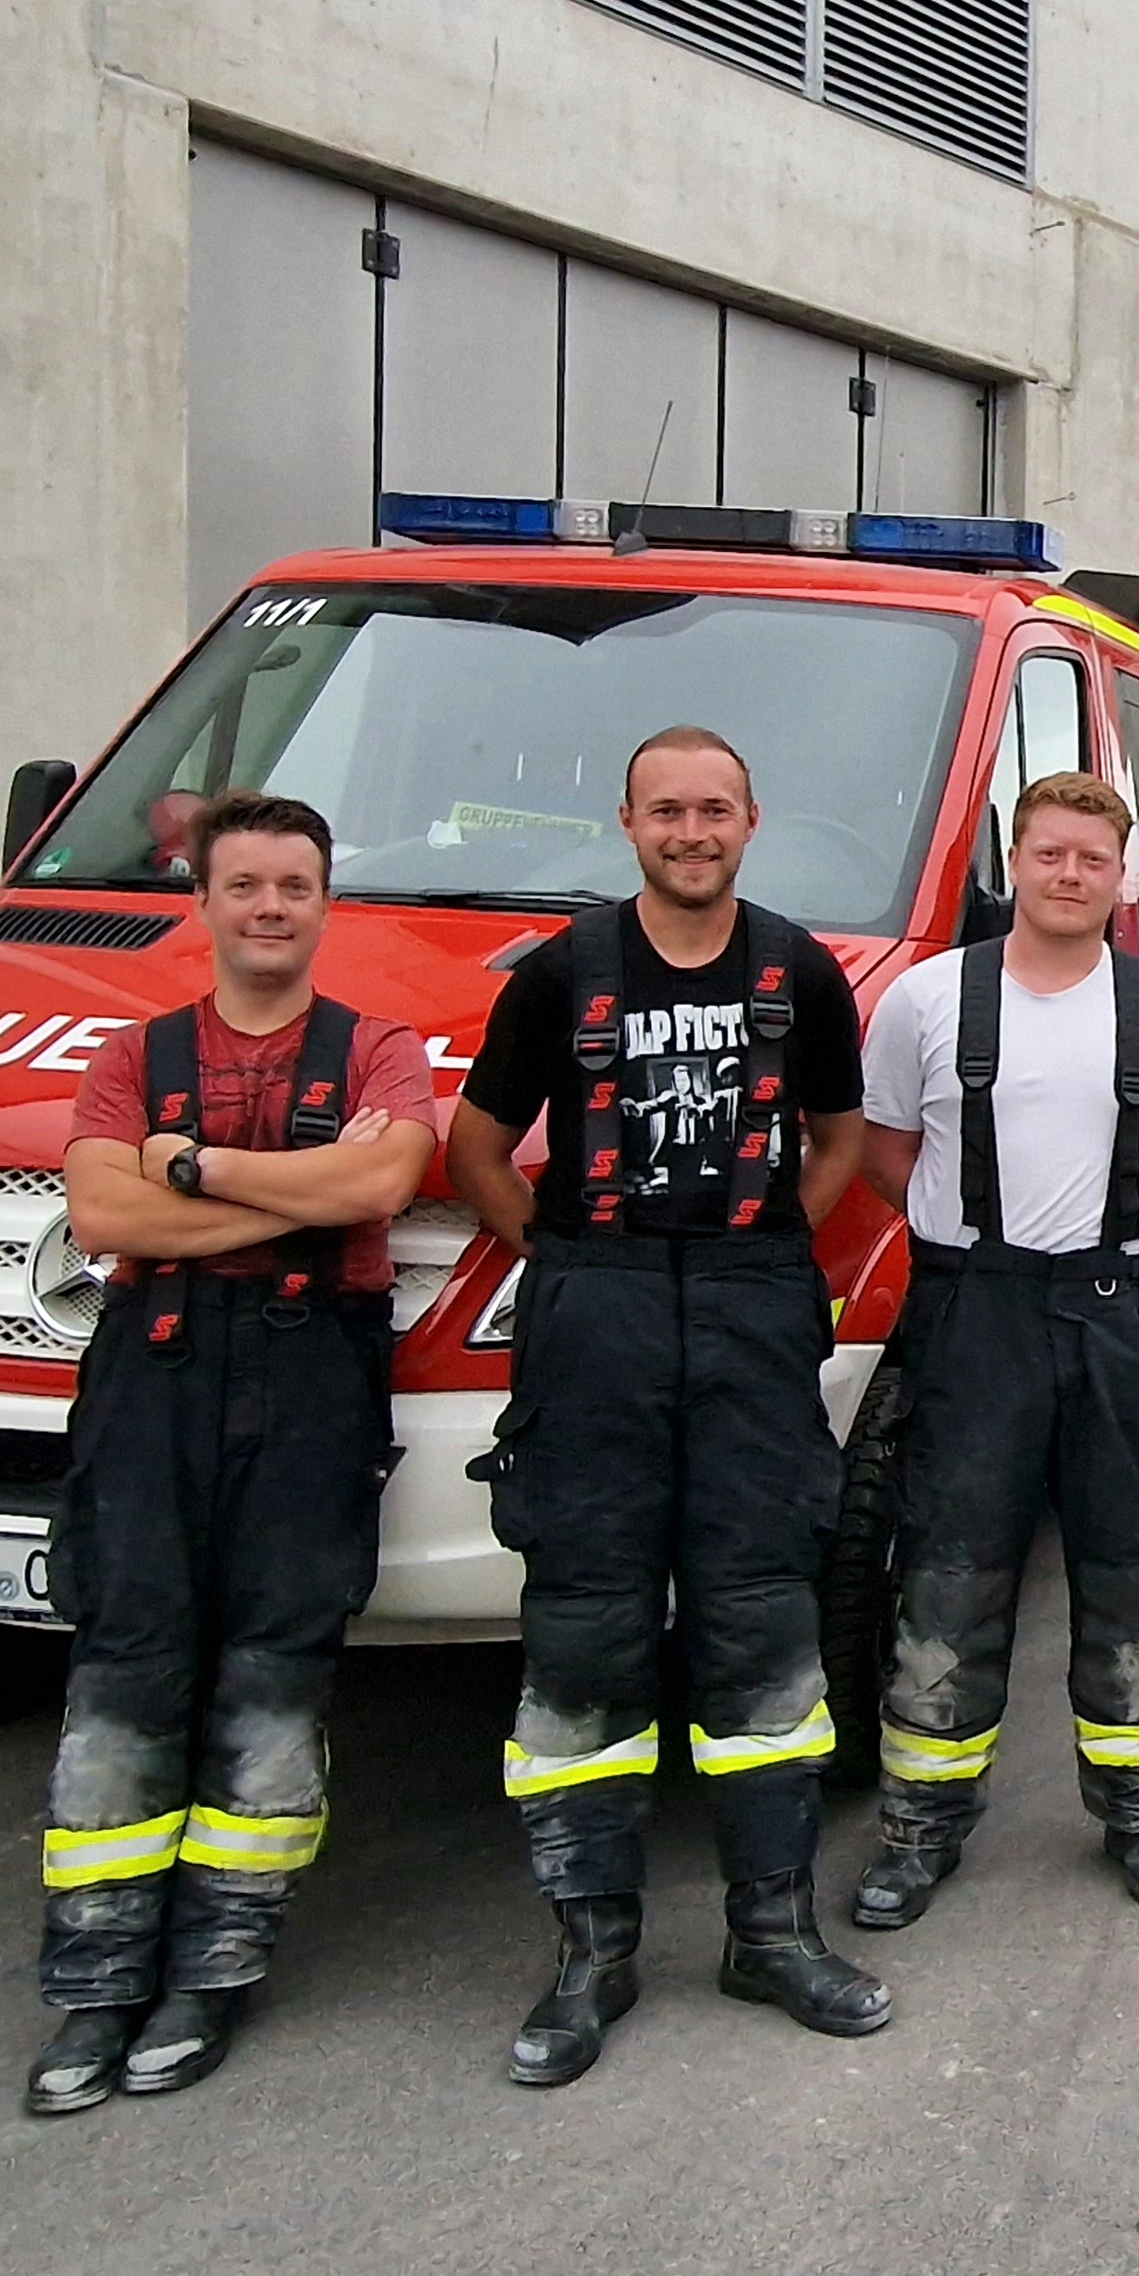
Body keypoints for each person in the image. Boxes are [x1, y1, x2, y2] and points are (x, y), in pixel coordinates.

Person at [449, 725, 886, 2088]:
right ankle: (592, 1953)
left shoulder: (797, 968)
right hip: (599, 1313)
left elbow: (840, 1134)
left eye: (715, 809)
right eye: (666, 811)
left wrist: (767, 1251)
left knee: (762, 1621)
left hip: (750, 1310)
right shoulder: (560, 973)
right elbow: (473, 1137)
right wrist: (560, 1252)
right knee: (585, 1628)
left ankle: (773, 1930)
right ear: (627, 823)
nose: (692, 830)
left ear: (751, 820)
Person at [26, 789, 436, 2114]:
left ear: (328, 901)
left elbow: (379, 1189)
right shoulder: (128, 1054)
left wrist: (190, 1173)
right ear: (200, 900)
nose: (270, 906)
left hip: (313, 1377)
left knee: (274, 1664)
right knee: (127, 1660)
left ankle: (218, 1959)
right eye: (245, 884)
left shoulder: (378, 1048)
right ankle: (95, 1979)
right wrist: (284, 1197)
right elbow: (98, 1209)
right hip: (151, 1373)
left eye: (293, 885)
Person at [851, 771, 1139, 1927]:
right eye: (1048, 853)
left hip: (1116, 1314)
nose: (1070, 875)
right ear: (1012, 861)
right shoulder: (924, 1000)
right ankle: (920, 1826)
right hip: (976, 1312)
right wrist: (986, 1248)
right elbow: (886, 1153)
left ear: (1121, 878)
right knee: (951, 1567)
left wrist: (1104, 1244)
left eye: (1092, 858)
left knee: (1131, 1566)